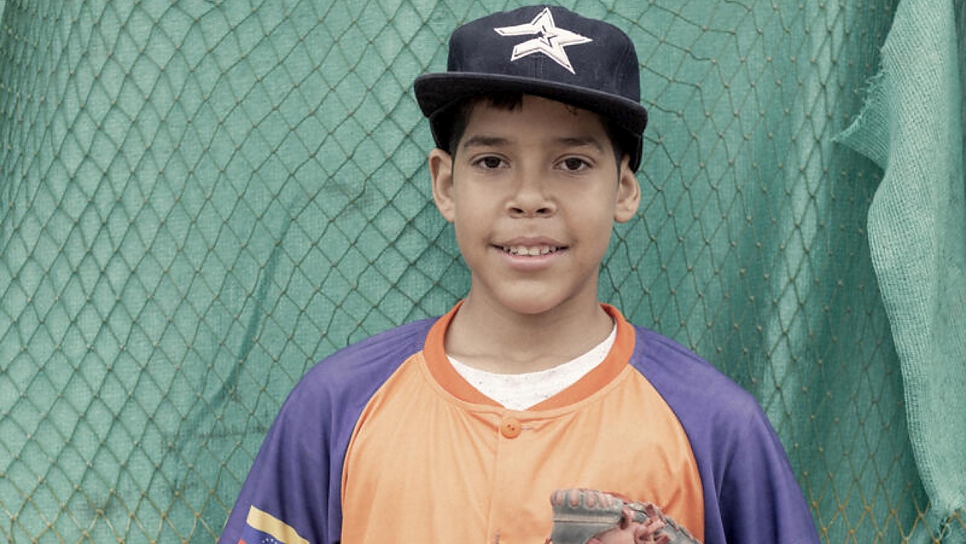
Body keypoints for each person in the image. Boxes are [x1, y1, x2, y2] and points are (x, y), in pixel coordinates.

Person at [218, 5, 820, 544]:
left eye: (573, 162)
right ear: (446, 184)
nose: (530, 197)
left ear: (625, 189)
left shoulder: (714, 424)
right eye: (492, 161)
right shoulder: (336, 406)